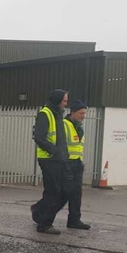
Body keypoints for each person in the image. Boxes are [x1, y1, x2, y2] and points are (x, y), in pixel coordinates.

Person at [31, 89, 70, 235]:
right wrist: (54, 151)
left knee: (63, 191)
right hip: (49, 159)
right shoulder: (45, 114)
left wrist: (63, 155)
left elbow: (61, 139)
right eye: (64, 101)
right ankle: (45, 224)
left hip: (59, 159)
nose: (66, 103)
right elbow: (39, 137)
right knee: (54, 192)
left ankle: (38, 210)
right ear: (57, 100)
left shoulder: (58, 115)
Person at [62, 100, 91, 230]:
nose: (83, 116)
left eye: (84, 113)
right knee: (60, 194)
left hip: (77, 164)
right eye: (81, 113)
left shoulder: (78, 127)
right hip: (66, 164)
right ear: (72, 112)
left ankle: (74, 220)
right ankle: (39, 213)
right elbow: (60, 145)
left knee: (76, 193)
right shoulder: (65, 125)